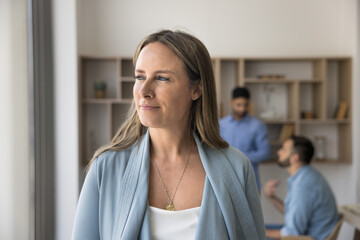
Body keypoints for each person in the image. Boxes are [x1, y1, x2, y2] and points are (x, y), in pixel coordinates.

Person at [72, 30, 265, 239]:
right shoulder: (105, 169)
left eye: (162, 78)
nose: (144, 90)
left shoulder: (237, 168)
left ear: (196, 89)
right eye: (140, 76)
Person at [264, 136, 338, 240]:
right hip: (307, 233)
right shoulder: (307, 175)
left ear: (295, 157)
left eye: (283, 149)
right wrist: (272, 197)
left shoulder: (303, 186)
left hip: (308, 237)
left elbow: (292, 233)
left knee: (249, 232)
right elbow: (293, 214)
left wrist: (261, 232)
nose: (279, 152)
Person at [219, 87, 270, 191]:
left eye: (245, 105)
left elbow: (265, 153)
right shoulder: (221, 125)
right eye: (239, 105)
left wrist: (238, 156)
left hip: (250, 182)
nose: (242, 109)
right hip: (225, 182)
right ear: (231, 102)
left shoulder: (258, 126)